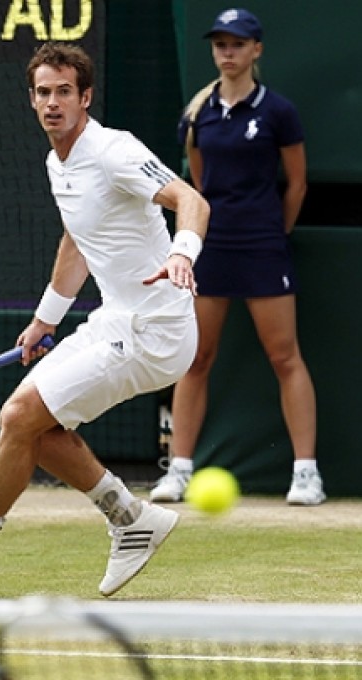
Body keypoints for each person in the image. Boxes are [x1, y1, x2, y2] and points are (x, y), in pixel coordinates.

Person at [0, 42, 210, 598]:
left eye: (65, 92)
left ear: (85, 98)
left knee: (17, 415)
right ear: (31, 100)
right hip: (116, 320)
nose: (53, 103)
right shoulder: (57, 161)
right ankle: (131, 518)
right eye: (43, 92)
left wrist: (182, 254)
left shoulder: (113, 151)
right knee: (38, 429)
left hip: (156, 331)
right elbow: (77, 241)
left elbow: (192, 201)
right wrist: (45, 319)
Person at [150, 8, 324, 506]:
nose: (227, 52)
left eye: (237, 44)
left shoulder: (279, 112)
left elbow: (298, 183)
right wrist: (210, 232)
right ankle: (179, 469)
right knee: (196, 356)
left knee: (284, 356)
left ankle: (306, 473)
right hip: (213, 248)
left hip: (264, 246)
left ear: (256, 50)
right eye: (220, 44)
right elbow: (198, 188)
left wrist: (274, 231)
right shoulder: (198, 113)